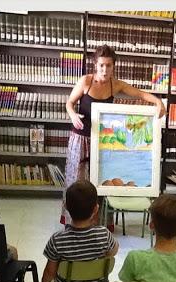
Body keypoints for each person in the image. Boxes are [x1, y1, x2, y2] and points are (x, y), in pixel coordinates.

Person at [60, 44, 166, 225]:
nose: (105, 69)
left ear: (113, 66)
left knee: (100, 181)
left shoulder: (115, 84)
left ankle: (98, 223)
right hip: (81, 138)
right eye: (101, 65)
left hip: (101, 142)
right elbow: (69, 102)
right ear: (95, 64)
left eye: (109, 65)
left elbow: (139, 94)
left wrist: (158, 101)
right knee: (76, 182)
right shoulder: (85, 81)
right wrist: (72, 114)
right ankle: (74, 222)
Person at [42, 180, 119, 282]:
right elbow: (113, 252)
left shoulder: (57, 240)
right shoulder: (104, 234)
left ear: (66, 207)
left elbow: (50, 272)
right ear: (95, 209)